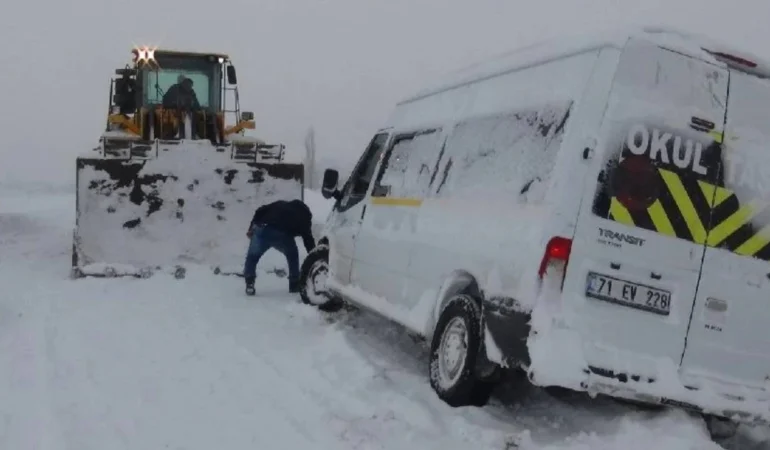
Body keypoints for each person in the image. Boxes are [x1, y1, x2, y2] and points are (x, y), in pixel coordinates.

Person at [243, 199, 315, 296]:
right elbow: (308, 239)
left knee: (252, 256)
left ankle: (249, 283)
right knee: (292, 254)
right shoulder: (304, 216)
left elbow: (259, 210)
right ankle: (294, 283)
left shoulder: (280, 204)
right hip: (279, 232)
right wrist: (315, 256)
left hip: (261, 228)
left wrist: (251, 227)